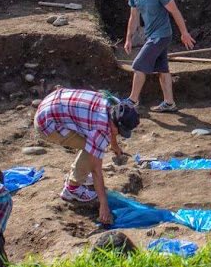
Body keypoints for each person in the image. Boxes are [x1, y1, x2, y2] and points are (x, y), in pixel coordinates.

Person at [34, 87, 139, 226]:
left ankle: (78, 178)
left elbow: (113, 129)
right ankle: (72, 188)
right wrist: (104, 205)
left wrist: (114, 146)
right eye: (121, 131)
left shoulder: (115, 104)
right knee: (90, 151)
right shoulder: (99, 130)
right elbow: (96, 170)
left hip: (53, 103)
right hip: (47, 123)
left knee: (95, 145)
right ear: (115, 124)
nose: (120, 134)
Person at [123, 0, 196, 113]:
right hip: (152, 35)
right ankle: (169, 103)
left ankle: (132, 101)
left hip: (161, 36)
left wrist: (184, 33)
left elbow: (175, 11)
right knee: (163, 69)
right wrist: (128, 38)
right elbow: (134, 16)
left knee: (138, 65)